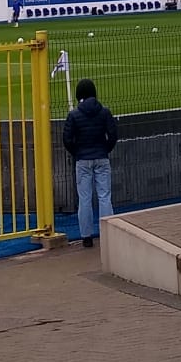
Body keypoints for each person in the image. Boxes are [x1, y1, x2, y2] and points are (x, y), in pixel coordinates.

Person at [63, 77, 119, 248]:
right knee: (104, 197)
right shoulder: (104, 112)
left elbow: (67, 138)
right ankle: (107, 233)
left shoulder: (74, 115)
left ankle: (86, 236)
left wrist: (77, 152)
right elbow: (113, 134)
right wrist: (105, 149)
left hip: (83, 159)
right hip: (101, 157)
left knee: (85, 199)